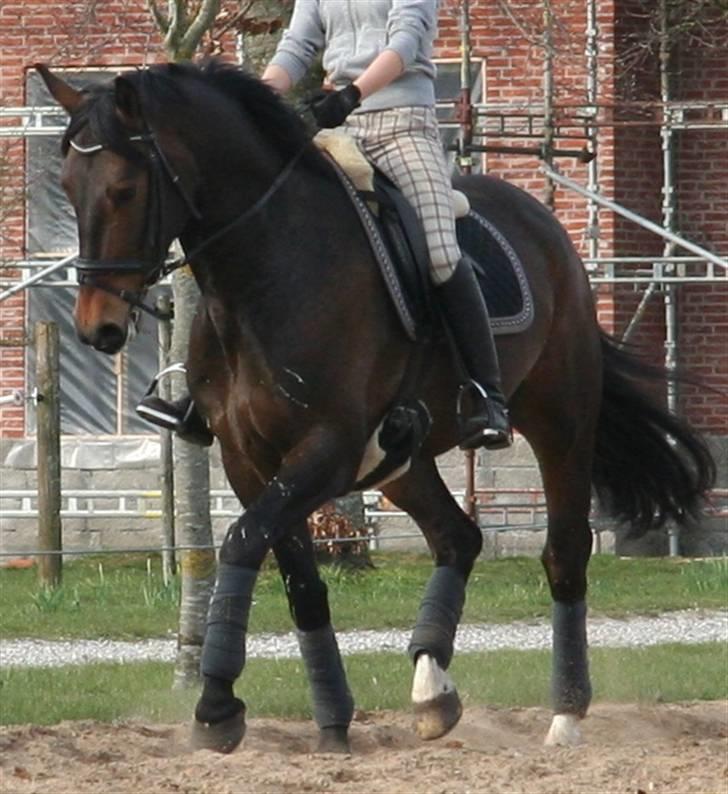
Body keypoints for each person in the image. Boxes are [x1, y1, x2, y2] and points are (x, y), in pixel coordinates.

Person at [138, 0, 511, 450]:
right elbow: (296, 47)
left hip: (402, 127)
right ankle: (204, 394)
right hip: (339, 128)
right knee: (253, 236)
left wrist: (353, 92)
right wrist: (253, 101)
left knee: (438, 250)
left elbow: (407, 41)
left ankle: (486, 395)